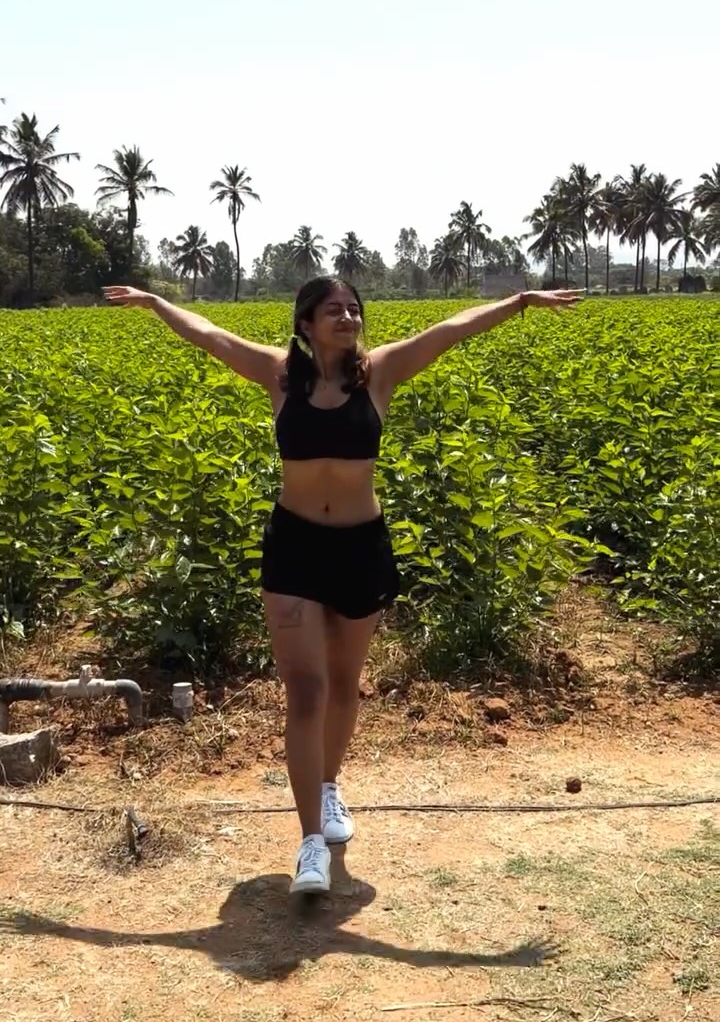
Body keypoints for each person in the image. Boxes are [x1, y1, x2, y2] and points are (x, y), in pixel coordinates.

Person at [102, 277, 581, 893]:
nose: (348, 317)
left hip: (360, 548)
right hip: (295, 548)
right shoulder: (280, 376)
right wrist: (157, 303)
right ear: (305, 323)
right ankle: (310, 845)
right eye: (334, 309)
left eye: (354, 308)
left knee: (344, 683)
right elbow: (211, 336)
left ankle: (329, 787)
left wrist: (519, 303)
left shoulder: (379, 374)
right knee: (306, 691)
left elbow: (452, 330)